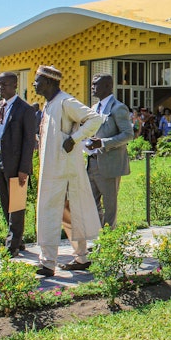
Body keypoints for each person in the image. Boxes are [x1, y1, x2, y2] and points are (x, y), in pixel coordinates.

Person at [34, 65, 104, 277]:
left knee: (55, 211)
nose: (35, 84)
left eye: (37, 80)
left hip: (63, 169)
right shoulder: (49, 104)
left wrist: (74, 140)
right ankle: (81, 257)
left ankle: (48, 263)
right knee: (70, 212)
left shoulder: (65, 101)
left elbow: (95, 118)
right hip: (54, 169)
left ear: (48, 82)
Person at [0, 71, 36, 257]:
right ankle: (18, 239)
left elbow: (28, 141)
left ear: (15, 85)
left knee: (16, 204)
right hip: (0, 159)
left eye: (4, 84)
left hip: (16, 163)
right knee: (5, 202)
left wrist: (25, 169)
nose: (1, 88)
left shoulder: (25, 109)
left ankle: (12, 245)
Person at [85, 73, 133, 230]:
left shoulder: (118, 108)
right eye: (92, 84)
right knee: (91, 203)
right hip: (92, 163)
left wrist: (102, 143)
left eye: (95, 85)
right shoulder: (93, 108)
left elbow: (128, 134)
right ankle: (100, 235)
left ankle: (108, 241)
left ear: (107, 86)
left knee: (109, 205)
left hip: (109, 165)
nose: (92, 88)